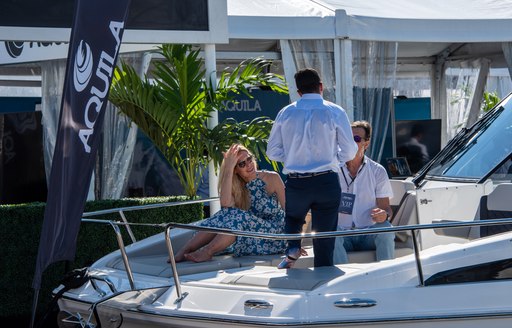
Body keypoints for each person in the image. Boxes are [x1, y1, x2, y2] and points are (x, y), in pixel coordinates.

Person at [267, 68, 358, 269]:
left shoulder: (286, 112)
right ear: (321, 87)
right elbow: (350, 150)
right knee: (324, 237)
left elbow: (272, 152)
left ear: (298, 92)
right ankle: (323, 276)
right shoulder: (335, 111)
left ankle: (292, 247)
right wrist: (335, 160)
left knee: (293, 218)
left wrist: (291, 157)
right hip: (326, 181)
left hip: (297, 181)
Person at [173, 144, 287, 263]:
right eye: (242, 164)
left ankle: (207, 251)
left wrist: (295, 243)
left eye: (249, 159)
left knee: (239, 216)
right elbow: (226, 205)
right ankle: (186, 249)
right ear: (235, 170)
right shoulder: (237, 186)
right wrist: (228, 168)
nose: (249, 165)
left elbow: (290, 211)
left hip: (275, 236)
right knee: (228, 213)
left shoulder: (272, 178)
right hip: (251, 236)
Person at [334, 120, 395, 264]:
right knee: (330, 232)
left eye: (356, 139)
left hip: (368, 233)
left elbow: (386, 208)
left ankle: (387, 275)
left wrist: (383, 215)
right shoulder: (333, 169)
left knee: (385, 228)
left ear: (366, 144)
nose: (350, 142)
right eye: (347, 138)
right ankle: (342, 282)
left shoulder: (377, 170)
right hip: (342, 233)